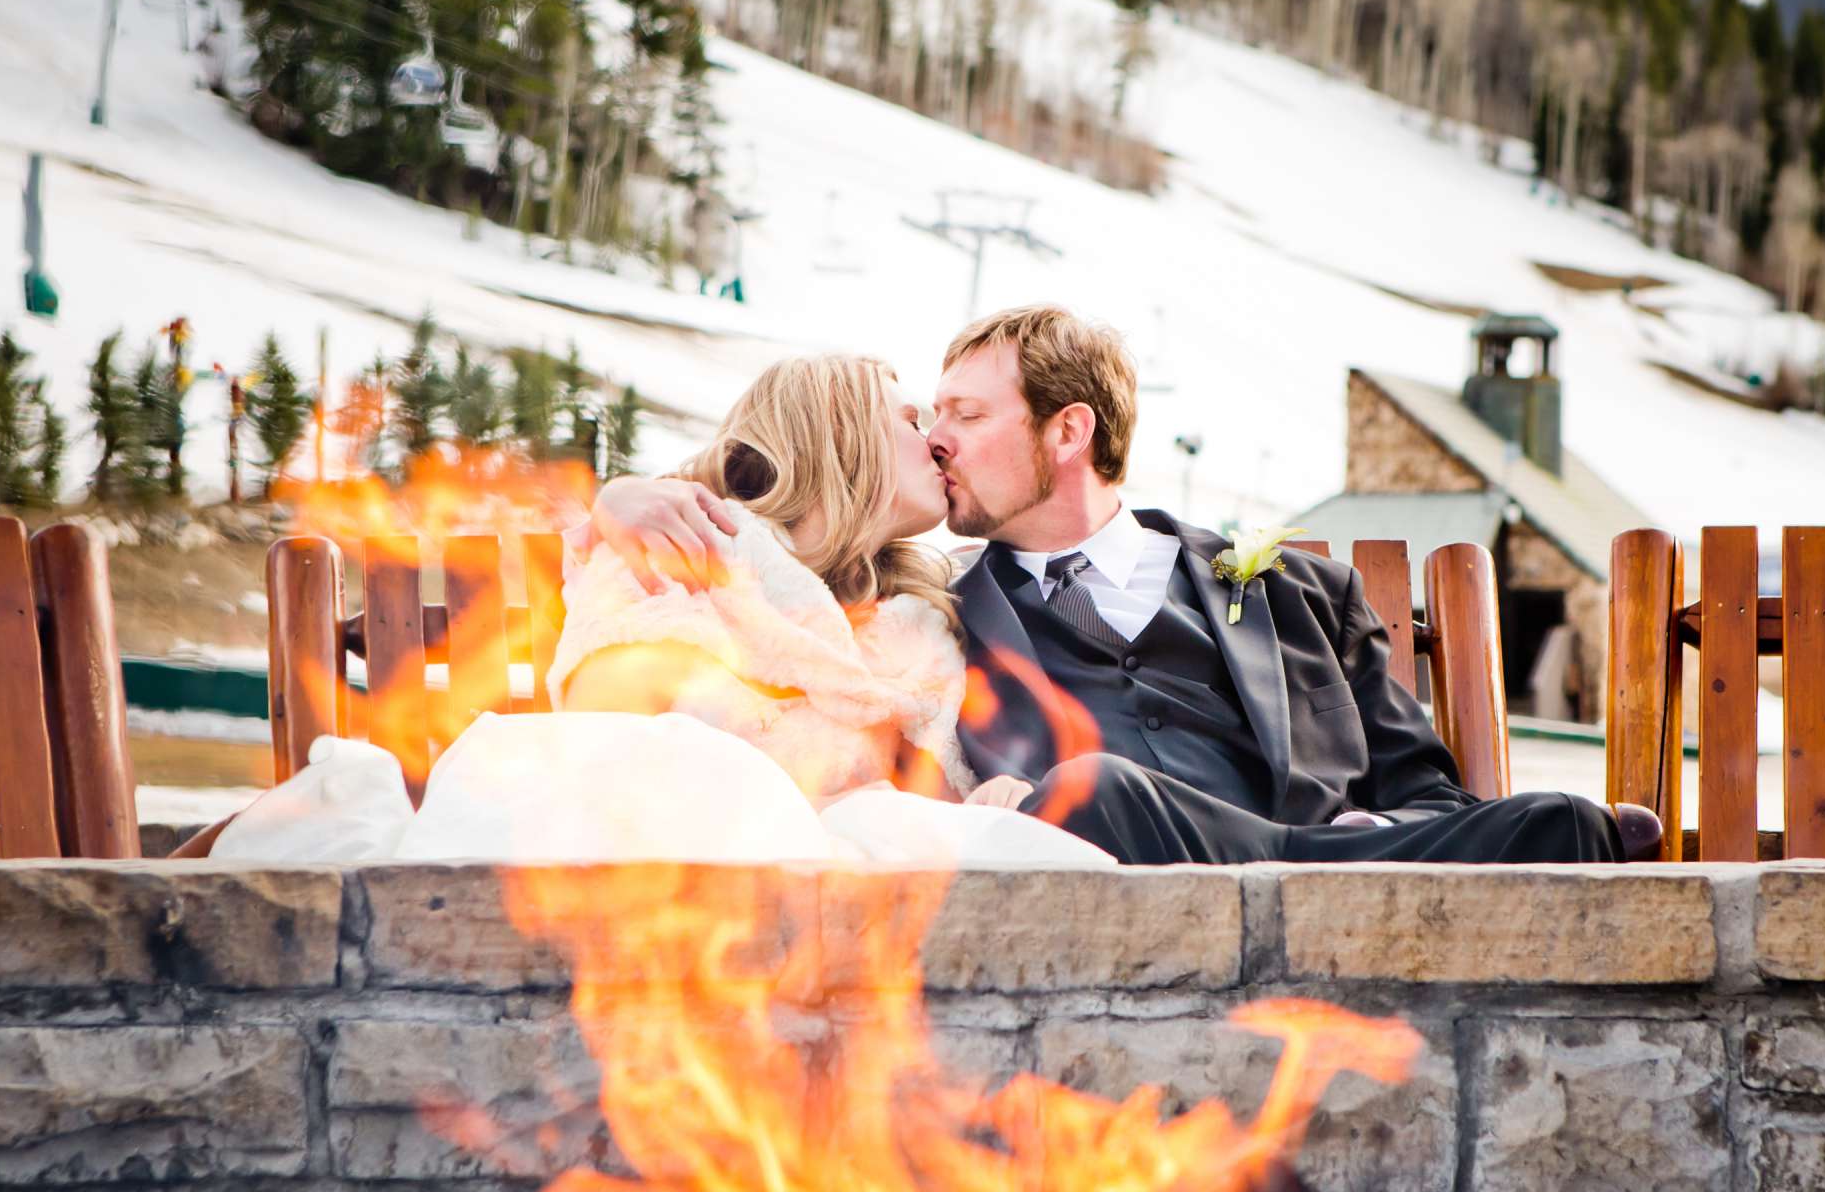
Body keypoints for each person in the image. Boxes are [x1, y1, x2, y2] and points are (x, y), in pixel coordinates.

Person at [591, 307, 1663, 867]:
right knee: (1092, 789)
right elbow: (782, 548)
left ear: (1068, 432)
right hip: (1110, 876)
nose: (937, 438)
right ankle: (1310, 862)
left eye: (964, 414)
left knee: (1542, 821)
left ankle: (1319, 862)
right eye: (926, 416)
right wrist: (621, 494)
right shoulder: (945, 615)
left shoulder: (1296, 593)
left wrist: (1384, 842)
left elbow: (1428, 798)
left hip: (1344, 897)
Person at [195, 353, 1114, 869]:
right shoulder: (684, 543)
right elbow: (623, 716)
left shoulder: (925, 623)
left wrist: (980, 799)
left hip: (825, 897)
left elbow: (934, 786)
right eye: (910, 417)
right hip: (657, 854)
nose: (938, 440)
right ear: (837, 432)